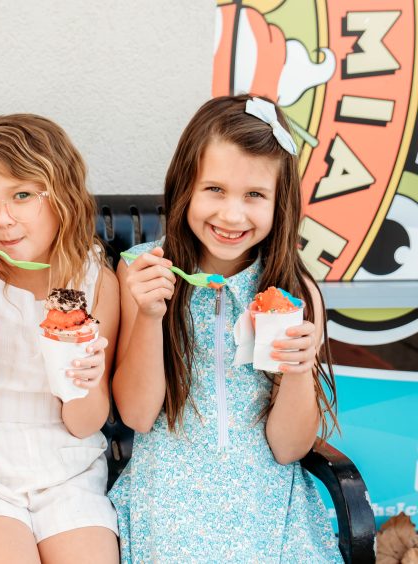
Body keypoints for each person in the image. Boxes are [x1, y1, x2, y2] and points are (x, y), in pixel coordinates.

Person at [109, 94, 341, 562]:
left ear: (281, 203)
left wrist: (299, 370)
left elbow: (289, 448)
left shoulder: (293, 291)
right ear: (184, 188)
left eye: (254, 195)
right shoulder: (142, 271)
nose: (232, 216)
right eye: (214, 189)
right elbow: (136, 414)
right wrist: (151, 315)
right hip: (169, 497)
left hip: (269, 505)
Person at [0, 114, 119, 563]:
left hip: (68, 472)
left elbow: (86, 422)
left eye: (23, 196)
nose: (4, 219)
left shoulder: (96, 283)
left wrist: (84, 379)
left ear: (63, 197)